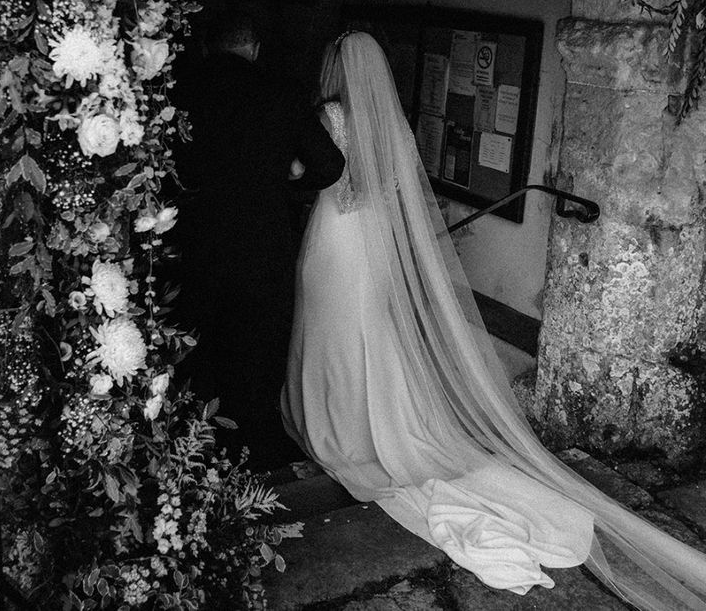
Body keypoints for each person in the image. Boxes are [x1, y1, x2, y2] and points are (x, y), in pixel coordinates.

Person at [281, 31, 706, 609]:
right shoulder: (388, 118)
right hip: (374, 248)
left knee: (331, 335)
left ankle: (339, 421)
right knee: (370, 336)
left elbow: (316, 177)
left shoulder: (328, 114)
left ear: (335, 66)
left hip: (334, 241)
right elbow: (400, 187)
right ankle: (380, 417)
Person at [169, 10, 345, 471]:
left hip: (193, 246)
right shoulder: (282, 94)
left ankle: (189, 451)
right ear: (256, 49)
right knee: (257, 349)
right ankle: (252, 451)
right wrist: (282, 182)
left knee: (196, 348)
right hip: (263, 246)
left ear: (207, 48)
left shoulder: (179, 91)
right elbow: (329, 165)